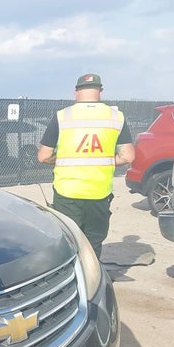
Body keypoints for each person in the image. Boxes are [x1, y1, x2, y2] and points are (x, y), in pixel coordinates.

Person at [37, 73, 135, 259]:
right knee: (93, 241)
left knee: (68, 240)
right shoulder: (116, 118)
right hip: (99, 192)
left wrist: (66, 158)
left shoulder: (62, 117)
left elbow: (44, 156)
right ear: (101, 91)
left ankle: (71, 278)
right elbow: (128, 156)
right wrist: (102, 159)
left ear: (76, 92)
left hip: (67, 191)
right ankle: (93, 278)